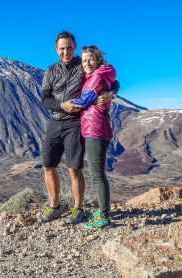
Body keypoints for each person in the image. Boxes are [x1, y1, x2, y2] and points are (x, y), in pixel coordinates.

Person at [39, 31, 117, 224]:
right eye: (62, 48)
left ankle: (78, 209)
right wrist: (61, 106)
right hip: (55, 122)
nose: (66, 51)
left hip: (75, 123)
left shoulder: (83, 66)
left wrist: (111, 93)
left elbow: (112, 80)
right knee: (48, 165)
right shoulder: (50, 71)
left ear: (74, 47)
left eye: (69, 47)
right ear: (56, 49)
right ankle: (54, 206)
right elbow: (45, 99)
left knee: (74, 168)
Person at [70, 45, 116, 229]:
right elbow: (115, 84)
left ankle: (104, 217)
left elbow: (85, 101)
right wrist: (112, 91)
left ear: (98, 60)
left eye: (90, 59)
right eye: (83, 60)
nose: (86, 63)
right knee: (97, 174)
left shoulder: (96, 77)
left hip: (96, 130)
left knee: (97, 175)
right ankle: (103, 212)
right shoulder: (96, 76)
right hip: (94, 129)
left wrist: (63, 104)